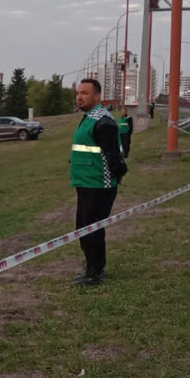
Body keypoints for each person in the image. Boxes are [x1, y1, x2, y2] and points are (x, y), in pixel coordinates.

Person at [71, 80, 127, 287]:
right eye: (78, 93)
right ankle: (91, 266)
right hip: (85, 182)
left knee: (92, 228)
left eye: (85, 93)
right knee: (82, 227)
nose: (79, 97)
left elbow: (114, 153)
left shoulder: (103, 121)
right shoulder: (88, 118)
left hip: (98, 184)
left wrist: (119, 172)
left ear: (97, 97)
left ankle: (96, 272)